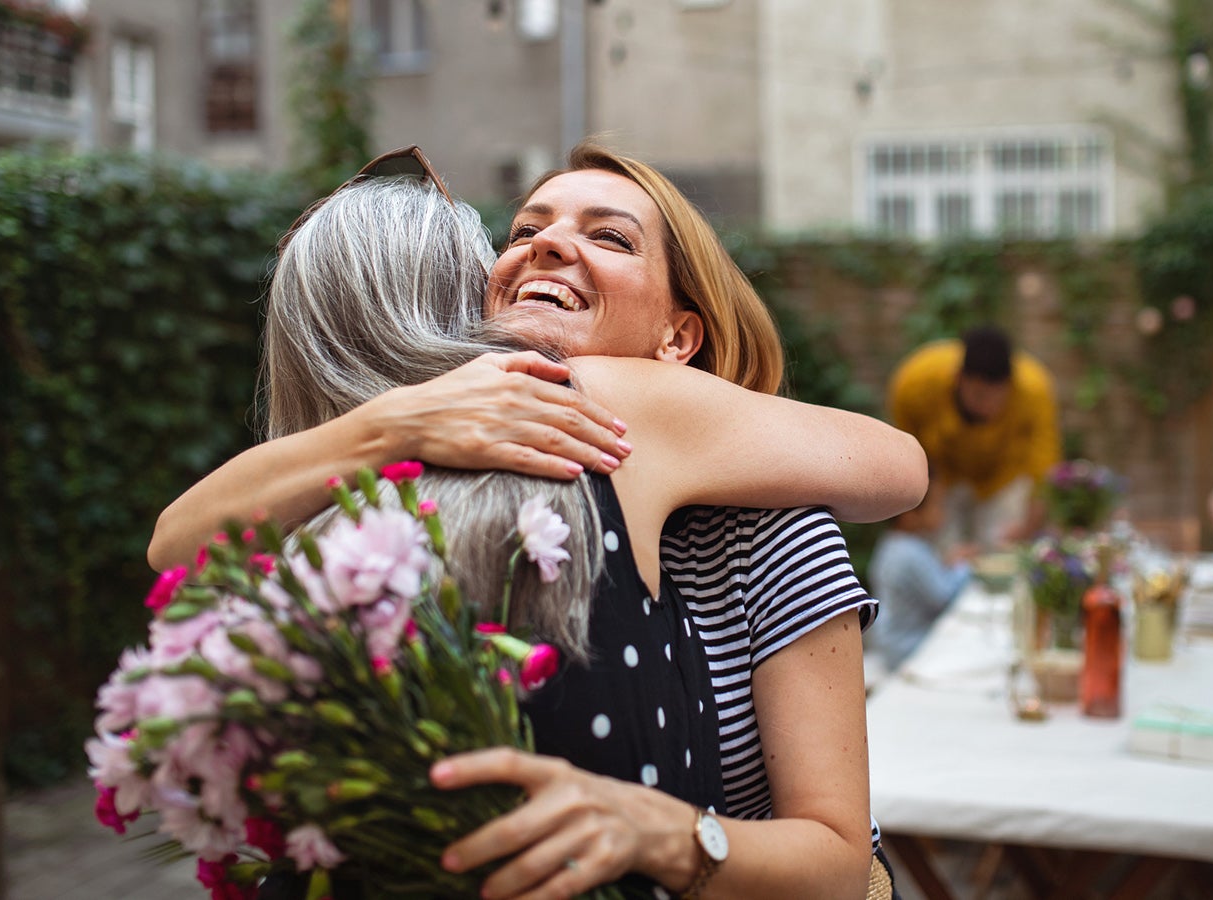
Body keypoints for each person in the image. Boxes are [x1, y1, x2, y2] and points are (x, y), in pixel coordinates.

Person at [153, 143, 924, 898]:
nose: (547, 243)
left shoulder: (762, 517)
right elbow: (177, 545)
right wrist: (400, 423)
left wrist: (665, 834)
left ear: (678, 338)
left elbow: (836, 863)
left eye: (610, 236)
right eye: (524, 232)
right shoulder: (460, 452)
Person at [886, 324, 1061, 549]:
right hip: (941, 476)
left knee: (1002, 550)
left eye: (999, 398)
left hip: (1002, 477)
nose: (988, 407)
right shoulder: (915, 382)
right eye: (979, 396)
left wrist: (1029, 527)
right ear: (959, 378)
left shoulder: (1035, 390)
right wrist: (916, 508)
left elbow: (1044, 468)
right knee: (940, 549)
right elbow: (904, 451)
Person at [865, 479, 971, 669]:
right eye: (937, 505)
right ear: (909, 513)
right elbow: (944, 597)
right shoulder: (910, 552)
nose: (942, 513)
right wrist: (962, 566)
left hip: (891, 643)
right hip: (909, 647)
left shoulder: (893, 543)